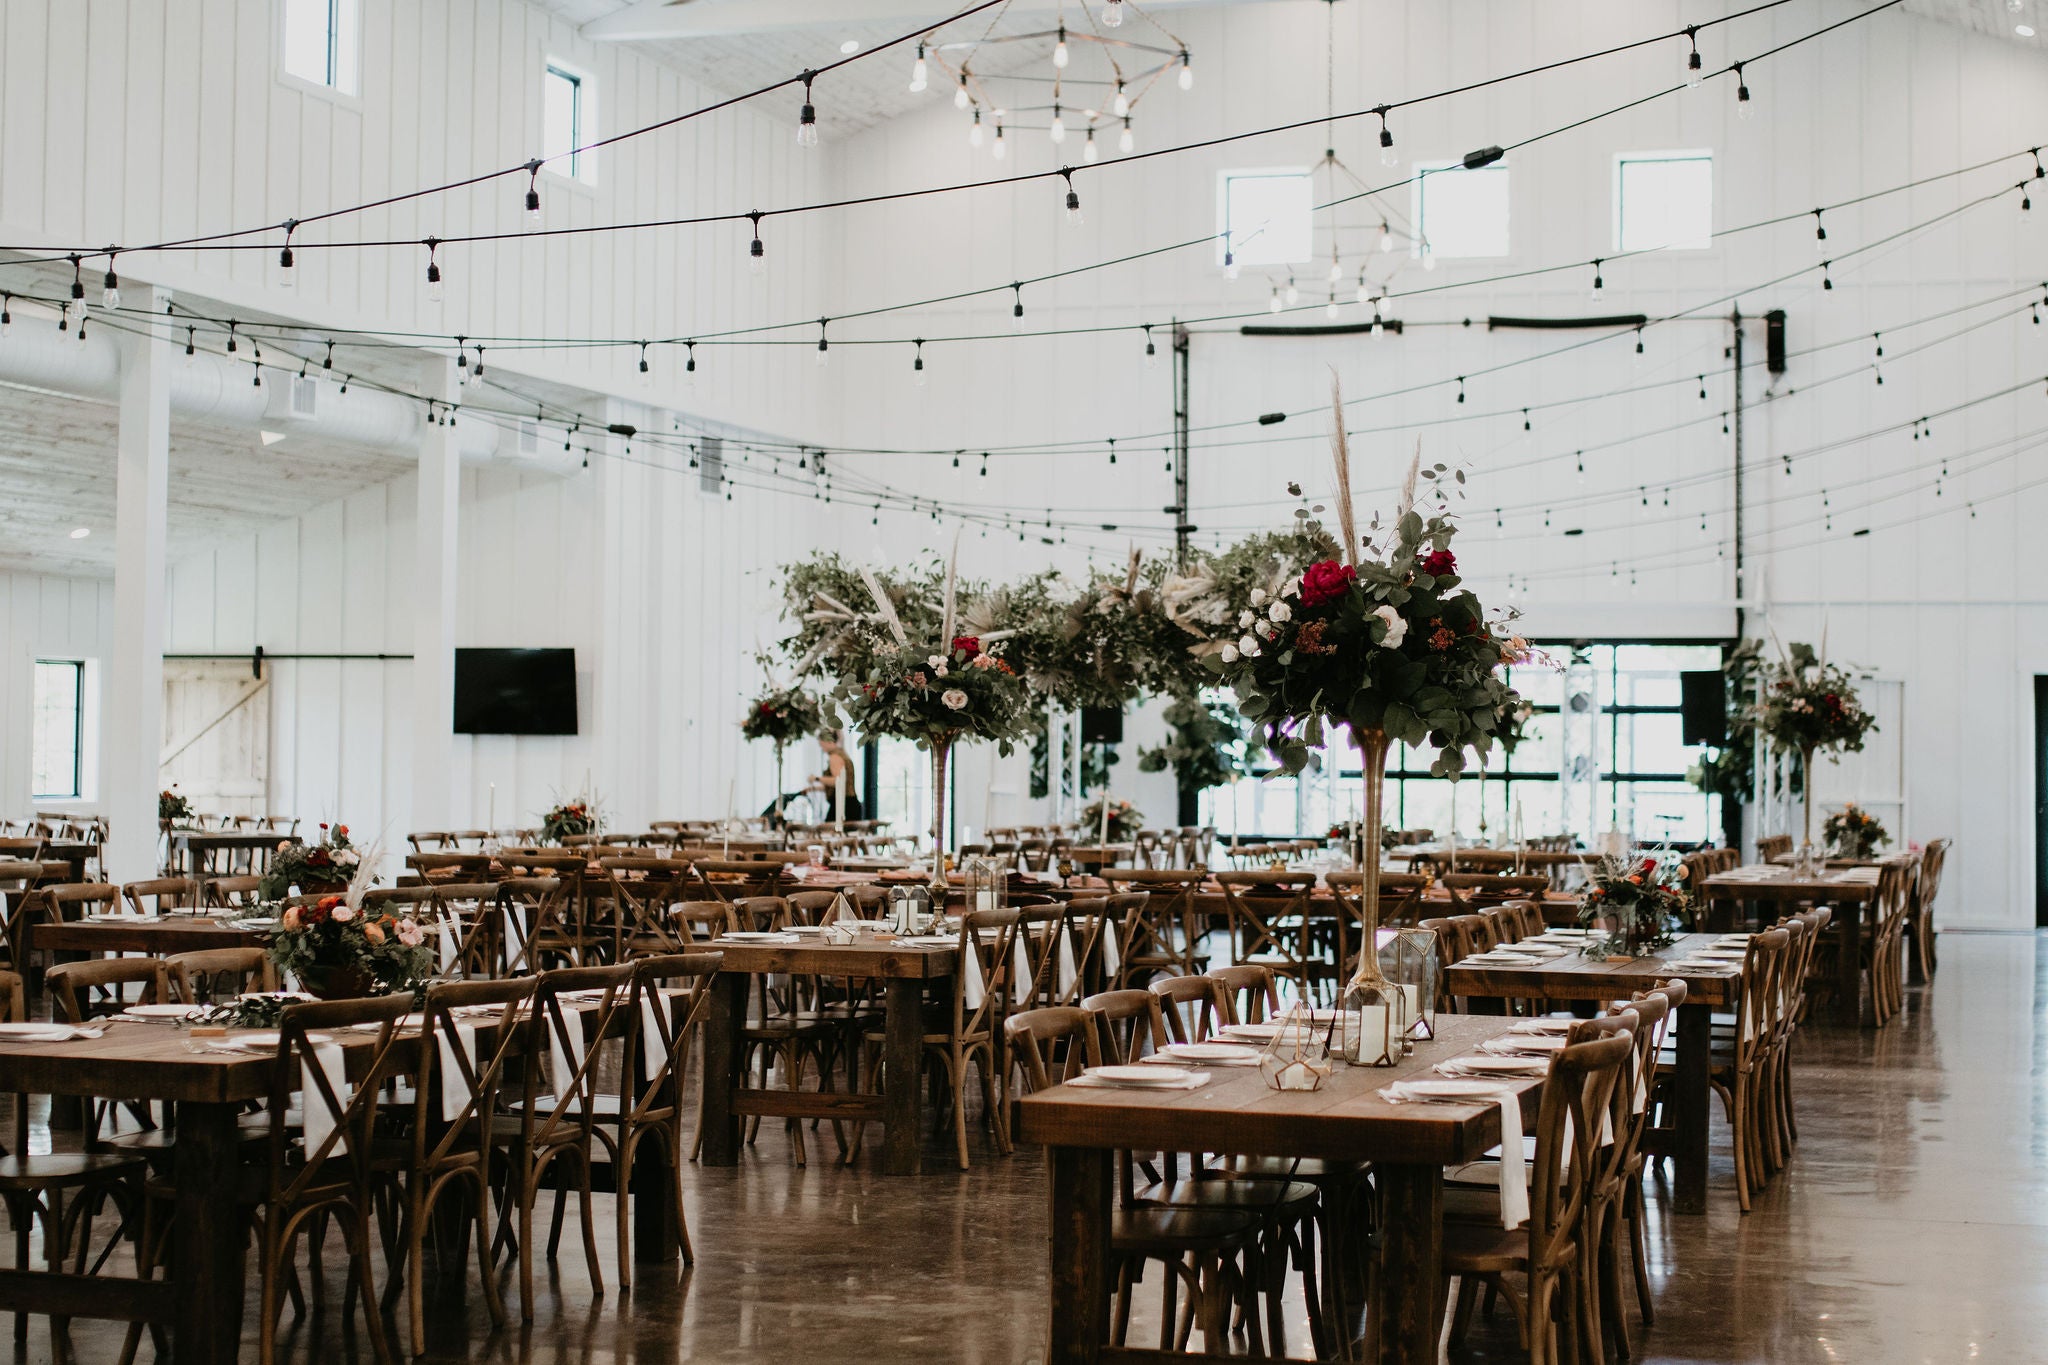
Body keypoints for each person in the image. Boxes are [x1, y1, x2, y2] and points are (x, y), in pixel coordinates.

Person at [810, 730, 865, 823]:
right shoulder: (843, 754)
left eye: (821, 744)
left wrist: (816, 778)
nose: (821, 748)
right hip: (852, 803)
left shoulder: (834, 757)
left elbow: (838, 781)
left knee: (828, 834)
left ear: (828, 741)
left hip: (842, 805)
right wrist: (813, 789)